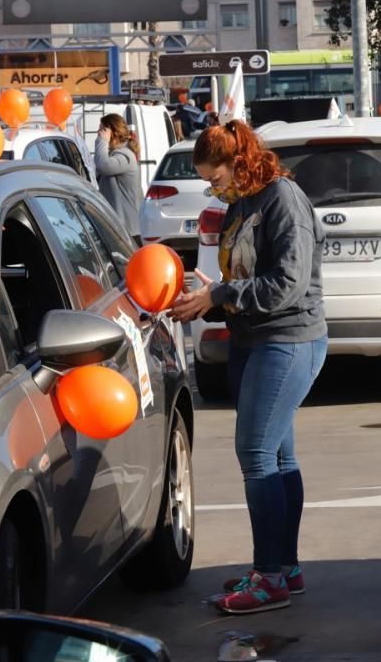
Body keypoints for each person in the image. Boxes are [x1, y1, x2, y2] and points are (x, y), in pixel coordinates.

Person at [170, 120, 327, 615]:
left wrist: (221, 294)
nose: (213, 191)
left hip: (287, 340)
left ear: (238, 164)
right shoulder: (242, 205)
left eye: (215, 179)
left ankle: (270, 578)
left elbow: (288, 282)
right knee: (279, 459)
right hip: (253, 340)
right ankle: (285, 568)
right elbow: (248, 278)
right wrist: (210, 295)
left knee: (256, 452)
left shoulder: (282, 199)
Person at [94, 114, 144, 245]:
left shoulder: (124, 156)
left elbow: (102, 165)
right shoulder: (116, 155)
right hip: (118, 229)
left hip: (127, 232)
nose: (98, 134)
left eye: (102, 130)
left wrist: (102, 141)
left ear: (113, 133)